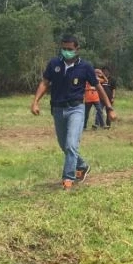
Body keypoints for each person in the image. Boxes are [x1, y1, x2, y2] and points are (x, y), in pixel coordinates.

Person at [30, 34, 116, 190]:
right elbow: (44, 82)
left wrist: (109, 108)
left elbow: (98, 87)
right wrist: (35, 101)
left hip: (76, 109)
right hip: (57, 109)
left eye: (69, 49)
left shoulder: (86, 67)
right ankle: (82, 166)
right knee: (64, 145)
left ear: (77, 49)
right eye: (63, 48)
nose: (66, 51)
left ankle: (68, 178)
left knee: (71, 144)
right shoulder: (54, 63)